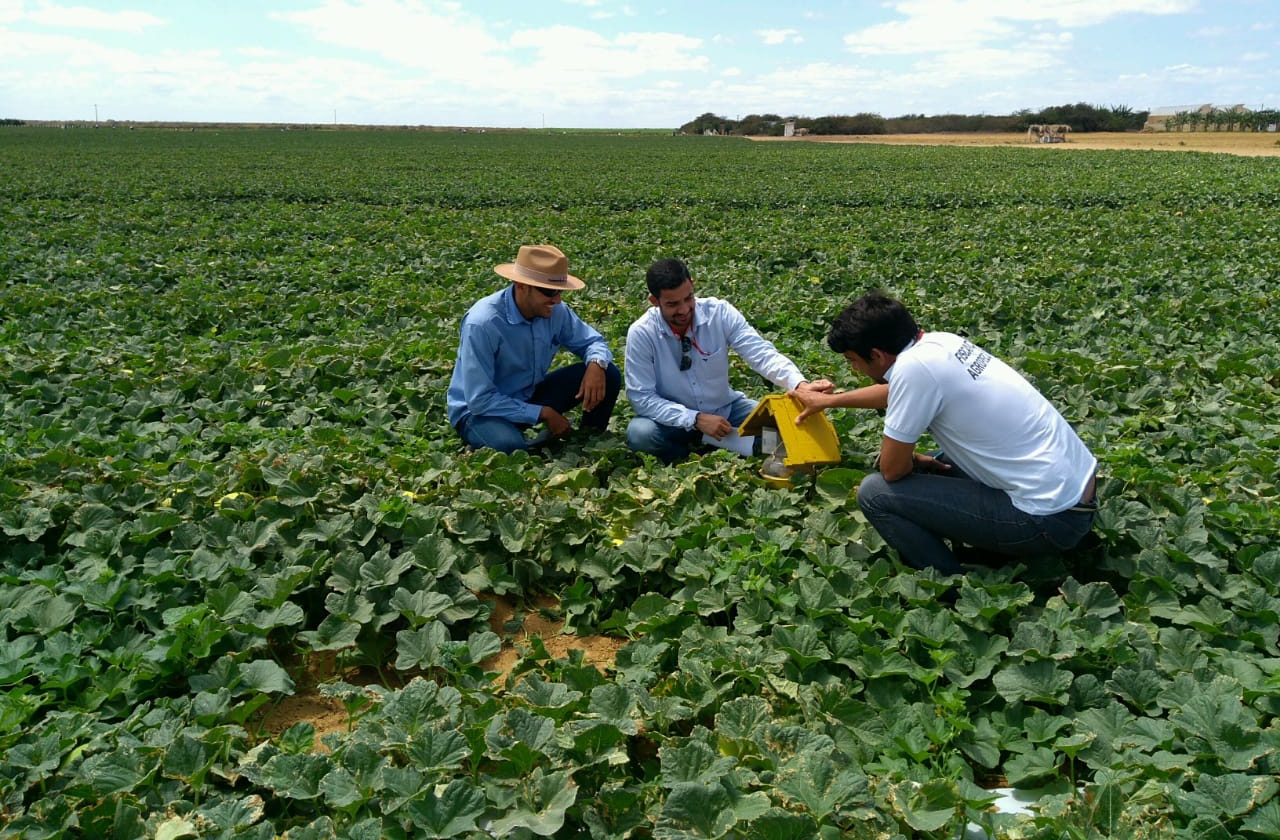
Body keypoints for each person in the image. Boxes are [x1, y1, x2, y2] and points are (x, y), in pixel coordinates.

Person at [790, 291, 1097, 575]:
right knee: (942, 462)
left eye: (853, 361)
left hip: (1048, 522)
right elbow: (897, 390)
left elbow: (893, 470)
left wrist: (909, 459)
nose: (855, 369)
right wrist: (831, 401)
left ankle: (949, 580)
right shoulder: (940, 343)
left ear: (877, 355)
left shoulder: (913, 371)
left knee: (876, 492)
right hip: (1078, 493)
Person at [624, 258, 832, 463]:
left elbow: (761, 353)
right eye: (672, 304)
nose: (684, 309)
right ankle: (687, 458)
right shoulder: (642, 333)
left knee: (780, 422)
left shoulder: (719, 313)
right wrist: (695, 419)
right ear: (654, 301)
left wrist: (799, 384)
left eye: (688, 298)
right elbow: (642, 398)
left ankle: (759, 454)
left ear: (693, 286)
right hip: (670, 422)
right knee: (641, 434)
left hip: (725, 410)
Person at [447, 244, 621, 453]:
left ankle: (587, 441)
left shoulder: (556, 310)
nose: (556, 299)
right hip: (480, 411)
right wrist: (544, 413)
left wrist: (596, 363)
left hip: (527, 393)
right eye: (548, 291)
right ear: (521, 285)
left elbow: (593, 342)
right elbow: (480, 399)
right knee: (510, 447)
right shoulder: (483, 323)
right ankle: (498, 440)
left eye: (559, 291)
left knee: (607, 373)